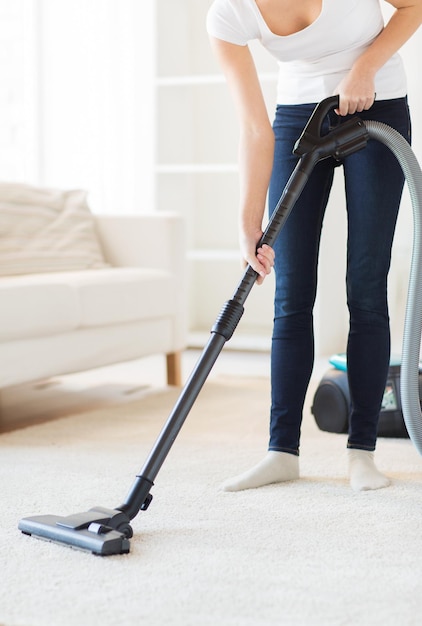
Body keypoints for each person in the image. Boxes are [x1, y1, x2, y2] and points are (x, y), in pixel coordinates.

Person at [206, 0, 422, 492]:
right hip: (299, 116)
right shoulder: (228, 14)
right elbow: (255, 129)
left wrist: (365, 67)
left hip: (378, 103)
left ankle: (361, 452)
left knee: (366, 285)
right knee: (291, 292)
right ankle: (281, 451)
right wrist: (247, 223)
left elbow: (413, 6)